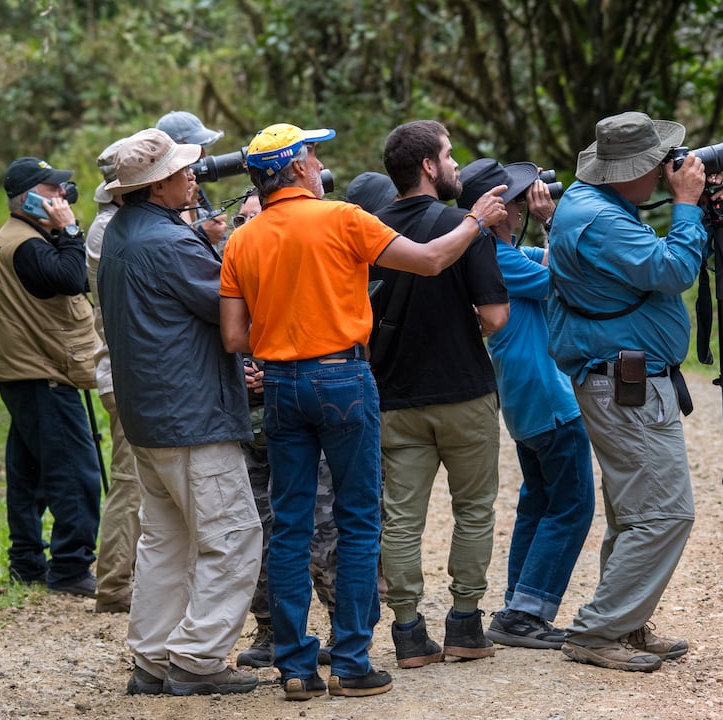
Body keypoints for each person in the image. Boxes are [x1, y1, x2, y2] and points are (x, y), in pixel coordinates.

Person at [219, 122, 508, 701]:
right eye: (313, 153)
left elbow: (233, 337)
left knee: (290, 523)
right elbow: (428, 261)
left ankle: (297, 667)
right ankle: (351, 663)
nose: (319, 162)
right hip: (344, 378)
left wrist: (281, 340)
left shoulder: (242, 239)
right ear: (298, 165)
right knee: (357, 522)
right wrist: (475, 220)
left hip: (280, 384)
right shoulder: (342, 219)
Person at [546, 110, 723, 672]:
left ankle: (623, 621)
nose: (669, 169)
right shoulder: (600, 220)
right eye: (659, 163)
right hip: (625, 386)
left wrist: (697, 213)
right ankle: (598, 632)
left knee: (633, 512)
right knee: (666, 514)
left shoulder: (595, 204)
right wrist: (688, 207)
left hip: (627, 380)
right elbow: (673, 271)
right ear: (633, 168)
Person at [98, 128, 262, 697]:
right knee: (234, 536)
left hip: (151, 416)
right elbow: (231, 308)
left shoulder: (124, 232)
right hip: (191, 417)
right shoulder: (169, 243)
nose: (194, 175)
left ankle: (151, 657)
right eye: (182, 170)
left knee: (165, 542)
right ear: (156, 184)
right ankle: (197, 659)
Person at [372, 120, 509, 669]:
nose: (455, 165)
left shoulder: (365, 227)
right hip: (464, 394)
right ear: (428, 166)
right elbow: (495, 316)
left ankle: (408, 633)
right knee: (473, 509)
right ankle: (464, 626)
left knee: (401, 518)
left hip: (394, 398)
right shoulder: (464, 225)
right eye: (449, 155)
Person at [456, 159, 595, 651]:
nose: (522, 204)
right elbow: (567, 276)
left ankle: (519, 603)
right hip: (547, 395)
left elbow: (545, 261)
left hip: (525, 400)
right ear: (494, 209)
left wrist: (544, 228)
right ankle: (526, 613)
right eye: (515, 199)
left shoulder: (495, 250)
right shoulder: (494, 254)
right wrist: (553, 221)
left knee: (539, 502)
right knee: (574, 504)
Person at [228, 195, 340, 671]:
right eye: (243, 219)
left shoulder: (310, 266)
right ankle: (271, 627)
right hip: (248, 426)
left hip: (300, 417)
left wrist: (273, 369)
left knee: (321, 526)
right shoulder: (226, 268)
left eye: (260, 216)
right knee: (260, 531)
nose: (253, 226)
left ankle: (342, 622)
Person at [0, 156, 101, 597]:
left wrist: (60, 230)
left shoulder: (22, 235)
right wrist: (71, 230)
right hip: (45, 372)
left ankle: (28, 560)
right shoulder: (30, 245)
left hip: (24, 370)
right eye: (53, 190)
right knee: (75, 469)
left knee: (29, 469)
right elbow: (74, 279)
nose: (63, 197)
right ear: (28, 198)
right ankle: (71, 566)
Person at [84, 137, 141, 615]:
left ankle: (124, 575)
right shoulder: (110, 229)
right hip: (122, 373)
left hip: (118, 371)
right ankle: (115, 581)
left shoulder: (113, 225)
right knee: (130, 479)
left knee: (136, 478)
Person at [157, 110, 227, 249]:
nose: (204, 155)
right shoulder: (162, 195)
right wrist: (203, 233)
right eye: (197, 148)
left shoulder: (192, 185)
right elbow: (176, 246)